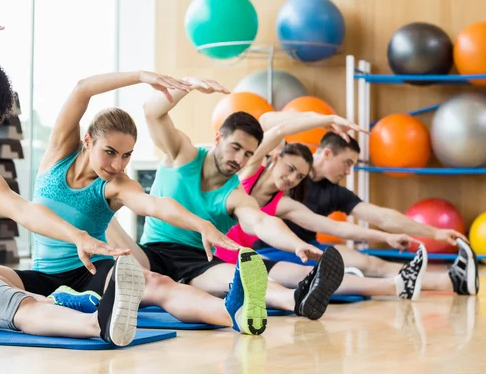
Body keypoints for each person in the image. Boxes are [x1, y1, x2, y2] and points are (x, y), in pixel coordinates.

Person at [0, 5, 155, 347]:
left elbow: (24, 211)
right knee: (7, 279)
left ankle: (98, 321)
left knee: (17, 303)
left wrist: (76, 235)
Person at [0, 69, 274, 336]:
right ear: (88, 141)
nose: (118, 164)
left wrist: (201, 224)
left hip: (90, 274)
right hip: (43, 275)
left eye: (126, 155)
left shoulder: (116, 185)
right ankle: (58, 301)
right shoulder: (58, 153)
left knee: (155, 283)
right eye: (110, 151)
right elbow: (82, 88)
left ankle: (232, 313)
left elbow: (156, 205)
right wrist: (141, 76)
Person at [133, 76, 346, 324]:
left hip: (198, 262)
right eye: (235, 147)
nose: (239, 159)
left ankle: (294, 299)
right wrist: (188, 85)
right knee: (107, 206)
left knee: (244, 277)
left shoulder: (235, 195)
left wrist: (295, 244)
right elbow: (152, 112)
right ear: (218, 139)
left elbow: (261, 222)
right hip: (150, 252)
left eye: (247, 154)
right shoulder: (183, 154)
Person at [257, 110, 479, 296]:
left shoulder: (335, 192)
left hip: (307, 248)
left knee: (371, 262)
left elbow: (381, 217)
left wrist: (435, 233)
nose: (348, 171)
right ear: (326, 154)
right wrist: (327, 120)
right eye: (346, 163)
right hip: (271, 249)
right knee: (351, 265)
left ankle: (451, 281)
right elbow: (267, 121)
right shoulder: (288, 165)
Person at [213, 112, 429, 300]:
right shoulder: (247, 172)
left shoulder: (284, 204)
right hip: (211, 255)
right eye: (290, 169)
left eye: (299, 176)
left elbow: (336, 228)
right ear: (277, 157)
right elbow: (277, 126)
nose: (291, 178)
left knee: (305, 276)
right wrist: (327, 119)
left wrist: (386, 237)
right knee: (271, 284)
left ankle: (398, 285)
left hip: (241, 260)